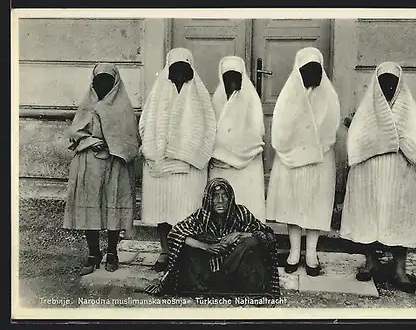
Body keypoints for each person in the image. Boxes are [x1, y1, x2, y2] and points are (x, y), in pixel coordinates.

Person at [340, 61, 416, 293]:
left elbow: (415, 145)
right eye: (383, 82)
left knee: (398, 217)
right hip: (368, 172)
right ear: (376, 84)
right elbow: (357, 140)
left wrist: (390, 139)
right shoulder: (367, 109)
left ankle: (399, 269)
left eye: (393, 83)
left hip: (397, 173)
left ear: (399, 85)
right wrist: (385, 138)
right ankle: (371, 261)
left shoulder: (407, 110)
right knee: (368, 215)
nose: (388, 88)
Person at [139, 48, 217, 272]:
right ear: (168, 70)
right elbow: (145, 124)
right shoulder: (158, 93)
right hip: (161, 163)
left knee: (186, 210)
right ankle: (165, 251)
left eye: (184, 69)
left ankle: (185, 253)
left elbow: (209, 128)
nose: (180, 74)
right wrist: (152, 151)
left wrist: (193, 153)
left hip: (188, 166)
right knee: (163, 209)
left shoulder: (199, 95)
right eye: (175, 69)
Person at [266, 47, 341, 276]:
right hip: (292, 160)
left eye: (316, 70)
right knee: (294, 204)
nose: (313, 75)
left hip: (319, 159)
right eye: (307, 70)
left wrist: (312, 142)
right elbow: (281, 129)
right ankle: (294, 251)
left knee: (315, 204)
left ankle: (311, 253)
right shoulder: (289, 96)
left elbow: (330, 127)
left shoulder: (328, 96)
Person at [143, 178, 280, 298]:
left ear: (230, 197)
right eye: (215, 196)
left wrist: (239, 234)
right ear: (209, 198)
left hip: (235, 269)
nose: (220, 201)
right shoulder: (201, 216)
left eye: (224, 196)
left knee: (252, 242)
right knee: (188, 249)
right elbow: (175, 234)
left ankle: (236, 287)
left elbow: (267, 234)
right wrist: (206, 246)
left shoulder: (241, 213)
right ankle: (210, 288)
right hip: (208, 271)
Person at [64, 63, 140, 275]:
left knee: (112, 205)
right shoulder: (87, 104)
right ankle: (93, 253)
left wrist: (112, 144)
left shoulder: (123, 107)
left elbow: (131, 141)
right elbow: (75, 134)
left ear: (115, 83)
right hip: (89, 164)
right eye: (99, 81)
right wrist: (90, 142)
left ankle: (113, 252)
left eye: (107, 81)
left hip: (115, 164)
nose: (102, 85)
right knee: (92, 207)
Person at [209, 56, 266, 222]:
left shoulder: (251, 100)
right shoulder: (217, 100)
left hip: (246, 163)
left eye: (236, 77)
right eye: (228, 77)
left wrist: (234, 153)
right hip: (220, 164)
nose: (232, 82)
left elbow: (256, 133)